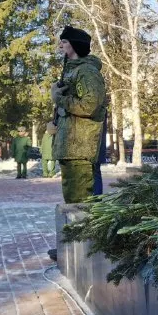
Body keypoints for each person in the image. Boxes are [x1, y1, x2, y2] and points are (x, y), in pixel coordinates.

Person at [52, 25, 107, 204]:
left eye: (64, 41)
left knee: (81, 204)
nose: (60, 45)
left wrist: (60, 99)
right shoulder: (72, 70)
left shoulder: (87, 71)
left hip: (80, 147)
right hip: (69, 147)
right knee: (73, 201)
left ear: (75, 45)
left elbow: (90, 106)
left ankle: (84, 232)